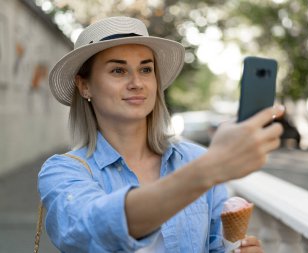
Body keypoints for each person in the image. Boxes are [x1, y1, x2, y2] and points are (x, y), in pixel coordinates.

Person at [38, 16, 285, 253]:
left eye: (146, 70)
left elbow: (217, 247)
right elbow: (92, 229)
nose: (137, 82)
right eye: (118, 71)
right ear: (84, 86)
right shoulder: (63, 172)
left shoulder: (195, 158)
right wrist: (210, 168)